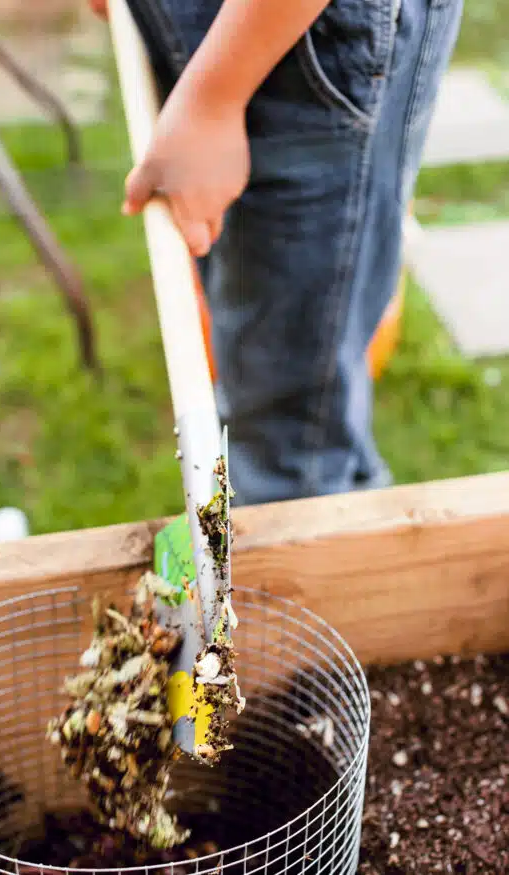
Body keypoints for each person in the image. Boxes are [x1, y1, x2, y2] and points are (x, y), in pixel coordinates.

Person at [92, 0, 463, 506]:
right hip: (240, 34)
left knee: (295, 431)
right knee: (252, 318)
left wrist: (211, 102)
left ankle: (305, 538)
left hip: (298, 38)